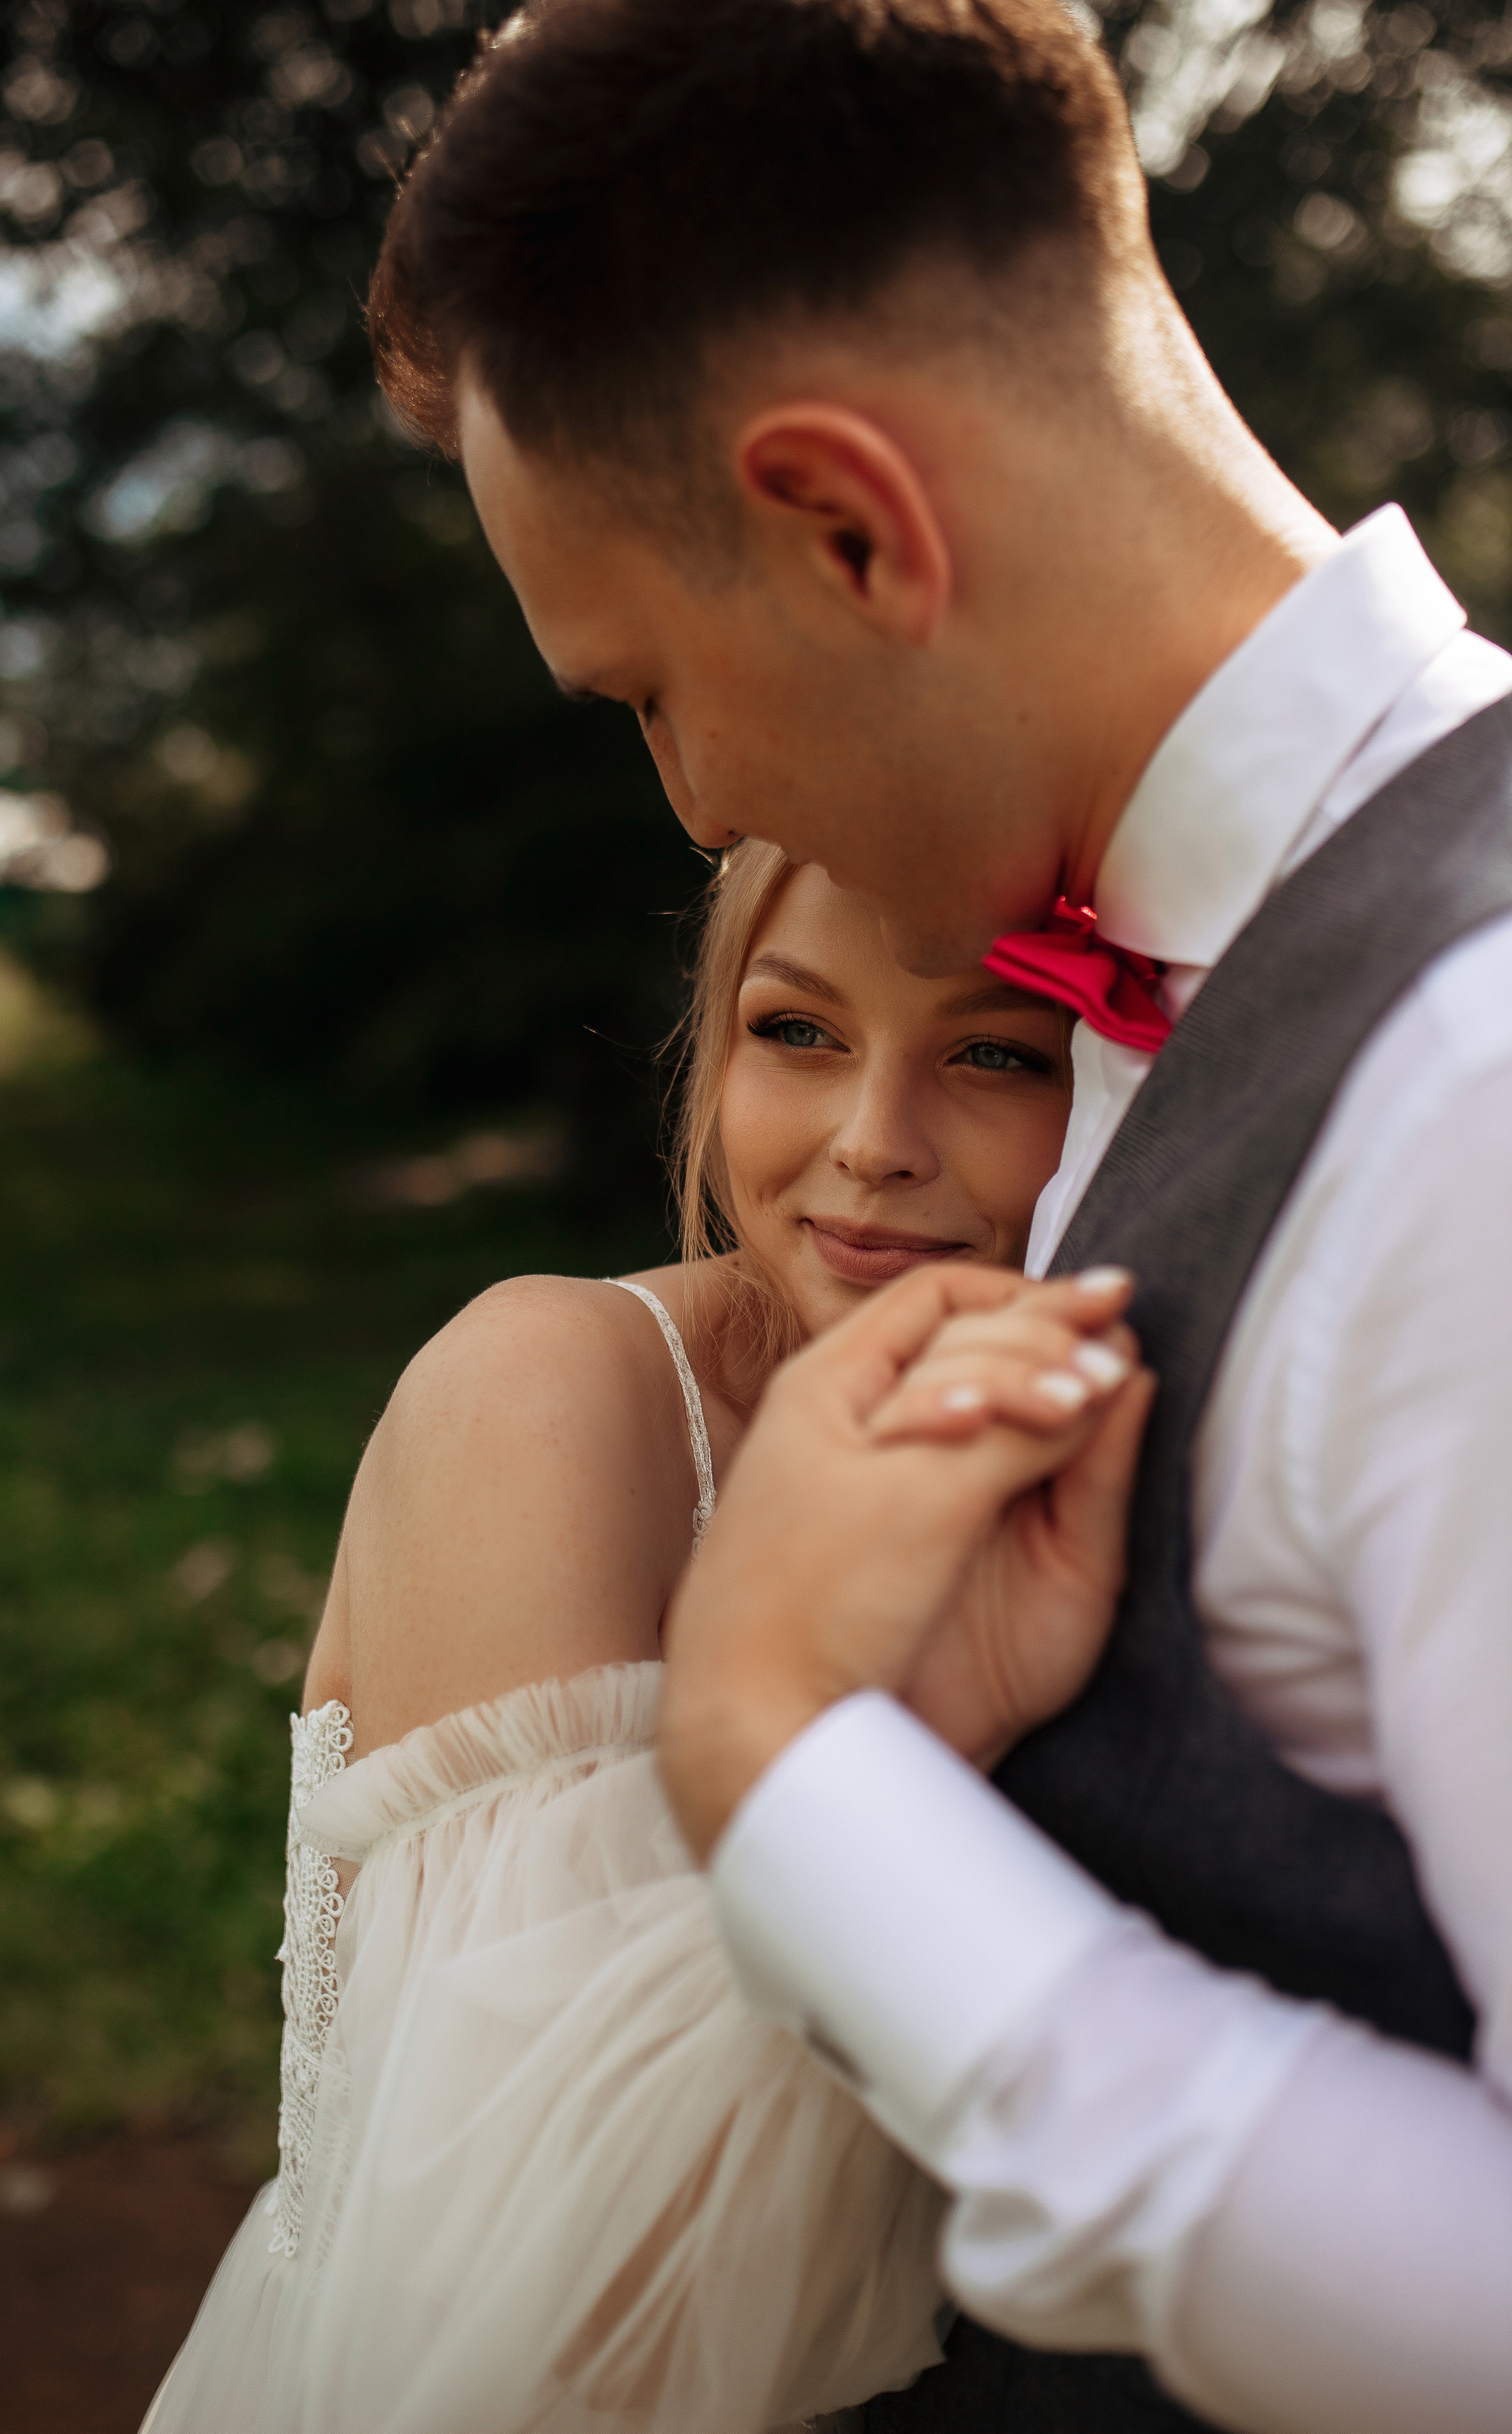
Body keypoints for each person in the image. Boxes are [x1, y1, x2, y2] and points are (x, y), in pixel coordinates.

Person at [366, 3, 1512, 2430]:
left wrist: (789, 1771)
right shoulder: (1174, 1007)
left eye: (648, 692)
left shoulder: (1476, 1079)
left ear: (852, 526)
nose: (695, 811)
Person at [138, 846, 1153, 2434]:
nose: (870, 1145)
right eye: (794, 1031)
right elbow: (559, 2306)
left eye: (992, 1055)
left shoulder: (1102, 1456)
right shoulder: (552, 1394)